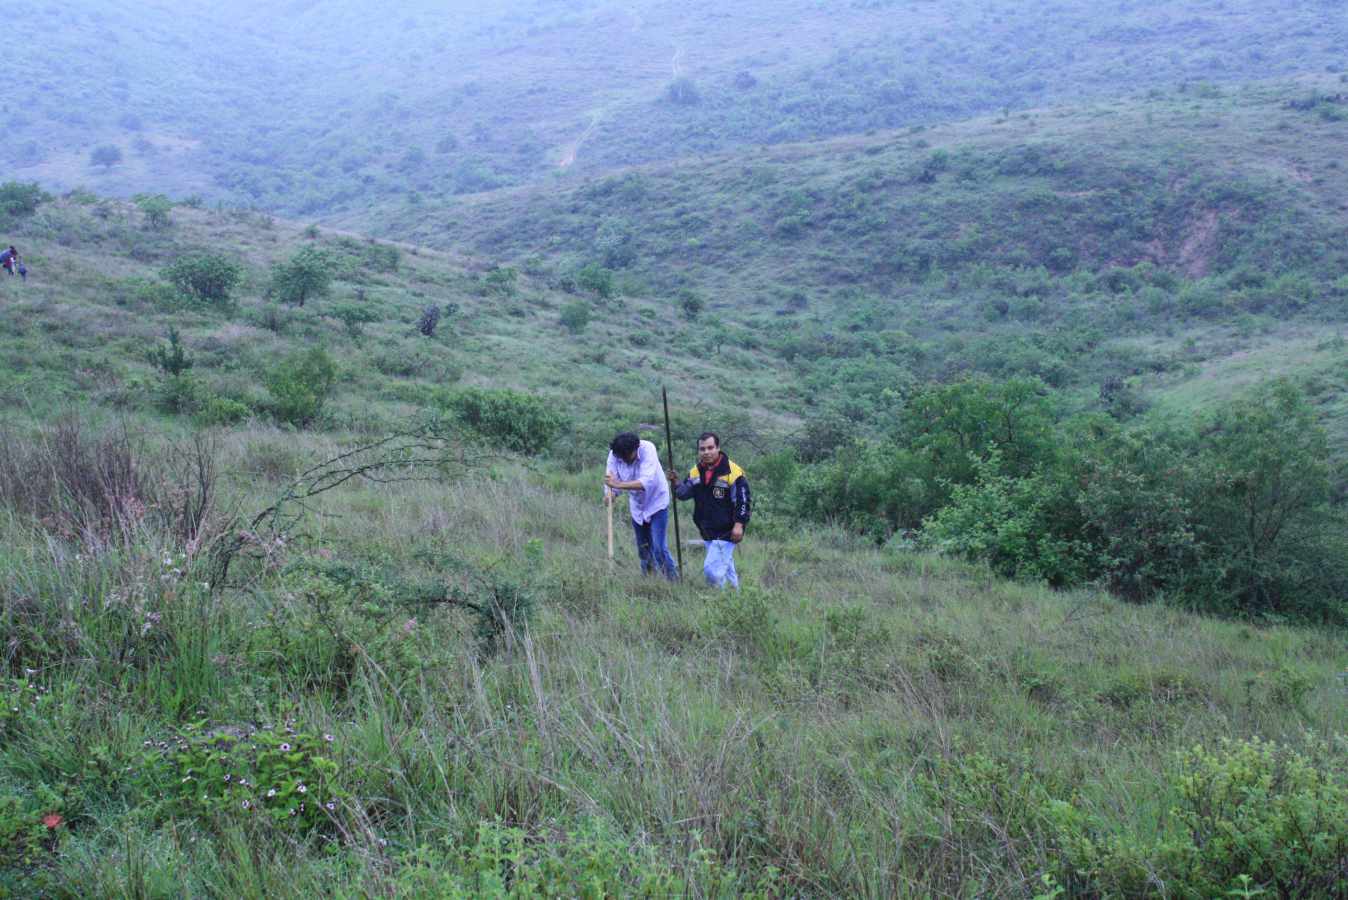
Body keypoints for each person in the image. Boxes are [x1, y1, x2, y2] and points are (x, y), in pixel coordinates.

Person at [671, 432, 750, 588]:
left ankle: (719, 596)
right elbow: (684, 494)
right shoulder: (695, 471)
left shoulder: (733, 472)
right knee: (727, 570)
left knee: (711, 570)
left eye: (710, 448)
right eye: (702, 449)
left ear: (718, 448)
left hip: (727, 531)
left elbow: (743, 500)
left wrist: (739, 525)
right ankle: (734, 595)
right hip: (706, 529)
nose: (706, 452)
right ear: (698, 451)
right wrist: (676, 483)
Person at [604, 432, 679, 580]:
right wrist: (610, 495)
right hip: (637, 507)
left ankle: (673, 581)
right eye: (621, 457)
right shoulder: (614, 455)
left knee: (658, 548)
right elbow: (611, 482)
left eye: (627, 456)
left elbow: (645, 482)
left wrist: (617, 485)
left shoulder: (648, 449)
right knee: (643, 550)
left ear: (636, 448)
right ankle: (649, 581)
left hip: (657, 502)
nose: (624, 460)